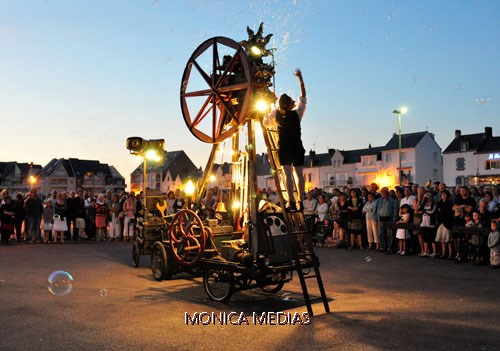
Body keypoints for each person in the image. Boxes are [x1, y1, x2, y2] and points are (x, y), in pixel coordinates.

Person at [263, 68, 306, 211]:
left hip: (284, 147)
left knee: (287, 175)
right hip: (296, 146)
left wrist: (266, 112)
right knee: (299, 176)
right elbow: (303, 96)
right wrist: (300, 79)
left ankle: (291, 202)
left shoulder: (275, 114)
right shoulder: (297, 113)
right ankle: (300, 201)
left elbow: (265, 123)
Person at [373, 187, 399, 253]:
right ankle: (382, 247)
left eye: (385, 192)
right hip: (380, 219)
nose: (383, 193)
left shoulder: (393, 201)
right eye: (382, 192)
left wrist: (394, 219)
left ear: (388, 192)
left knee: (389, 234)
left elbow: (395, 210)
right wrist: (375, 218)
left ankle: (390, 247)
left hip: (389, 219)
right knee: (380, 234)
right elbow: (375, 210)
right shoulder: (378, 201)